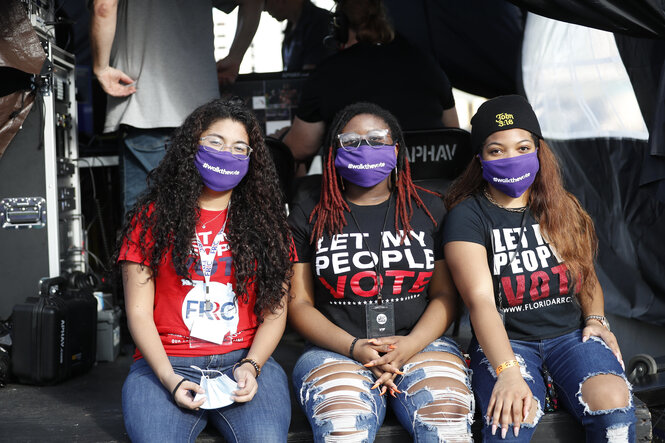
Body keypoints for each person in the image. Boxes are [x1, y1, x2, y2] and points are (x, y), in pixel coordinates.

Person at [443, 95, 636, 441]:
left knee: (613, 402)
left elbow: (586, 277)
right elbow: (480, 301)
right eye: (496, 150)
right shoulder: (467, 216)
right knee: (514, 415)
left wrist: (596, 319)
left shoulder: (563, 207)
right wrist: (508, 372)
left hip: (570, 338)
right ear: (480, 158)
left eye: (522, 147)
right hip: (509, 342)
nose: (512, 158)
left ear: (538, 150)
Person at [288, 102, 473, 442]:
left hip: (422, 345)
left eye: (376, 139)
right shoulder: (309, 213)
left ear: (396, 149)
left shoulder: (429, 209)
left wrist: (409, 346)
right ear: (333, 153)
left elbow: (446, 295)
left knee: (446, 417)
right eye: (352, 142)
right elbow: (299, 304)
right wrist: (355, 346)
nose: (365, 149)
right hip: (336, 350)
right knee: (343, 424)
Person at [116, 99, 292, 442]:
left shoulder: (268, 225)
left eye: (240, 147)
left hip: (244, 360)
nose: (227, 153)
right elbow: (137, 312)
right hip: (166, 363)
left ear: (251, 160)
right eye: (215, 142)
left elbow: (276, 311)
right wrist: (170, 379)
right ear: (190, 146)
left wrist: (252, 365)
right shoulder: (151, 217)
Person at [91, 0, 262, 214]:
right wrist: (236, 56)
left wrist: (101, 67)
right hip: (206, 120)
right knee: (200, 219)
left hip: (145, 108)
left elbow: (104, 6)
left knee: (144, 225)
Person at [282, 0, 459, 164]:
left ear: (340, 26)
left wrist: (280, 137)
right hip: (430, 191)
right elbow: (453, 133)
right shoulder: (428, 65)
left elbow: (299, 148)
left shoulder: (326, 74)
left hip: (361, 193)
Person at [263, 0, 335, 72]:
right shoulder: (290, 29)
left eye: (266, 1)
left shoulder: (320, 22)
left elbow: (311, 76)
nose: (264, 8)